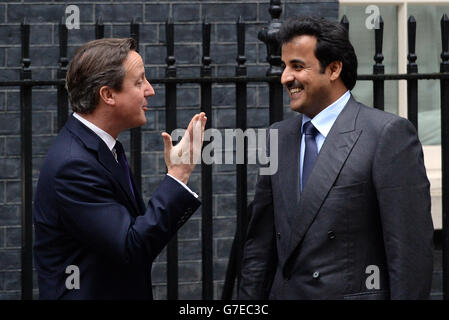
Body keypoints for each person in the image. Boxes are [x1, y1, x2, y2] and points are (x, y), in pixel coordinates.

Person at [238, 16, 434, 300]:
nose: (284, 78)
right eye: (284, 66)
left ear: (333, 69)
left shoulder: (387, 135)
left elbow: (409, 255)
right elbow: (260, 249)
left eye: (297, 66)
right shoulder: (277, 138)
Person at [33, 38, 207, 299]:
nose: (150, 90)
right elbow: (132, 247)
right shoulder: (73, 166)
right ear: (108, 95)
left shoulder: (100, 147)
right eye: (139, 82)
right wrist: (178, 174)